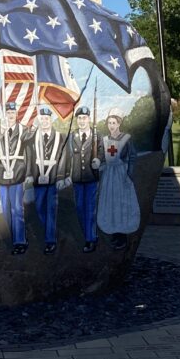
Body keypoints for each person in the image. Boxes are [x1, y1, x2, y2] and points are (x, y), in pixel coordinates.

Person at [0, 100, 33, 255]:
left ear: (16, 114)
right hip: (2, 172)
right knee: (6, 209)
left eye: (12, 113)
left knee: (17, 209)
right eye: (8, 113)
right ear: (4, 114)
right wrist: (1, 130)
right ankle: (14, 236)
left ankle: (20, 240)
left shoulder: (23, 130)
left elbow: (33, 141)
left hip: (17, 171)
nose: (10, 115)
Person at [26, 106, 69, 255]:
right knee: (38, 208)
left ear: (51, 120)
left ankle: (50, 241)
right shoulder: (34, 137)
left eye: (46, 118)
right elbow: (30, 156)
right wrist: (30, 173)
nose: (44, 121)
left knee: (50, 210)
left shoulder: (60, 137)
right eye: (42, 119)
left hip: (52, 179)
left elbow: (64, 158)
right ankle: (52, 231)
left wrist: (60, 177)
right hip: (38, 178)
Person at [96, 111, 139, 249]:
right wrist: (98, 161)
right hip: (109, 175)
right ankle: (114, 233)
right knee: (111, 203)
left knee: (122, 203)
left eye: (114, 123)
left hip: (121, 174)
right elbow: (103, 156)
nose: (111, 126)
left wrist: (129, 175)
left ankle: (122, 236)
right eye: (109, 123)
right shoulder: (105, 139)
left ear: (119, 123)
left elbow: (132, 157)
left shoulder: (126, 139)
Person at [67, 106, 101, 252]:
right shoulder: (72, 136)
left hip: (91, 177)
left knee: (90, 209)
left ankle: (90, 239)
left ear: (89, 119)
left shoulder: (96, 135)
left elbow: (102, 151)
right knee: (80, 208)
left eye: (84, 118)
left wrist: (99, 160)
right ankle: (89, 234)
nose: (82, 121)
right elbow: (67, 156)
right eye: (79, 118)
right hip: (77, 178)